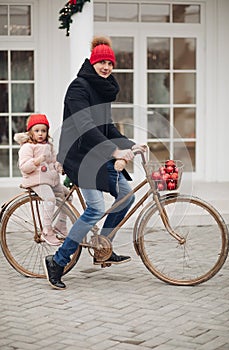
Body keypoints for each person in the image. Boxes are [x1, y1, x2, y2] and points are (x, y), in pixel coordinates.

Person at [43, 36, 146, 289]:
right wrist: (113, 152)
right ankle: (58, 260)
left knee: (126, 195)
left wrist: (129, 145)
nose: (106, 67)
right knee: (95, 208)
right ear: (92, 62)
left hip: (97, 152)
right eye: (101, 62)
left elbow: (106, 127)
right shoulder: (79, 87)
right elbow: (85, 126)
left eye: (110, 63)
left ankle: (104, 246)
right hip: (78, 154)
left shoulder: (102, 88)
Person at [14, 113, 71, 246]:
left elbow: (53, 161)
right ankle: (47, 230)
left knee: (67, 196)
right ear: (30, 132)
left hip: (51, 180)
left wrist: (59, 167)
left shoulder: (49, 146)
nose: (40, 134)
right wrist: (38, 160)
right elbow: (24, 167)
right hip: (36, 181)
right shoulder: (27, 147)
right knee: (49, 199)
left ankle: (61, 225)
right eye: (37, 130)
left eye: (43, 131)